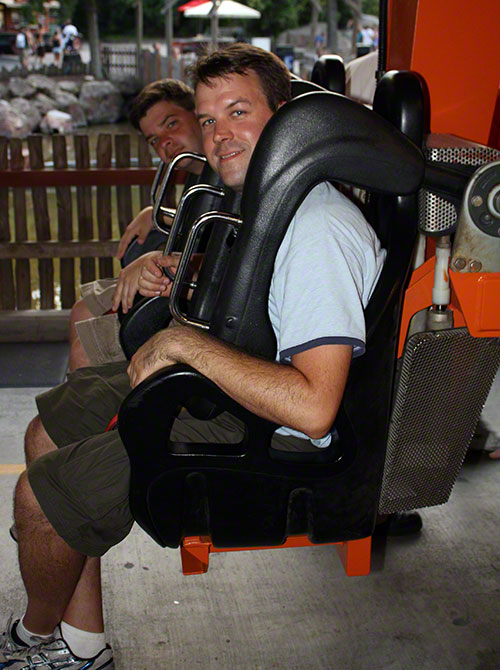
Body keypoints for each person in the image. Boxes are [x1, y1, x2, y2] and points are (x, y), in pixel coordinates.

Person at [0, 44, 387, 668]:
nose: (218, 135)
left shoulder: (318, 230)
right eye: (208, 120)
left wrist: (184, 343)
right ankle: (82, 642)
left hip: (262, 428)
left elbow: (313, 409)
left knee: (37, 496)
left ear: (287, 118)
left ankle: (34, 638)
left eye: (238, 112)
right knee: (48, 431)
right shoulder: (276, 195)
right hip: (227, 383)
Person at [68, 78, 204, 371]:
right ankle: (80, 399)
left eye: (171, 124)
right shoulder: (197, 172)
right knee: (80, 310)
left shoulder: (224, 169)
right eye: (154, 139)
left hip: (190, 301)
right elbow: (199, 225)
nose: (164, 142)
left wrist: (154, 259)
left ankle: (83, 405)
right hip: (177, 277)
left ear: (198, 113)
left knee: (84, 348)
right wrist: (157, 213)